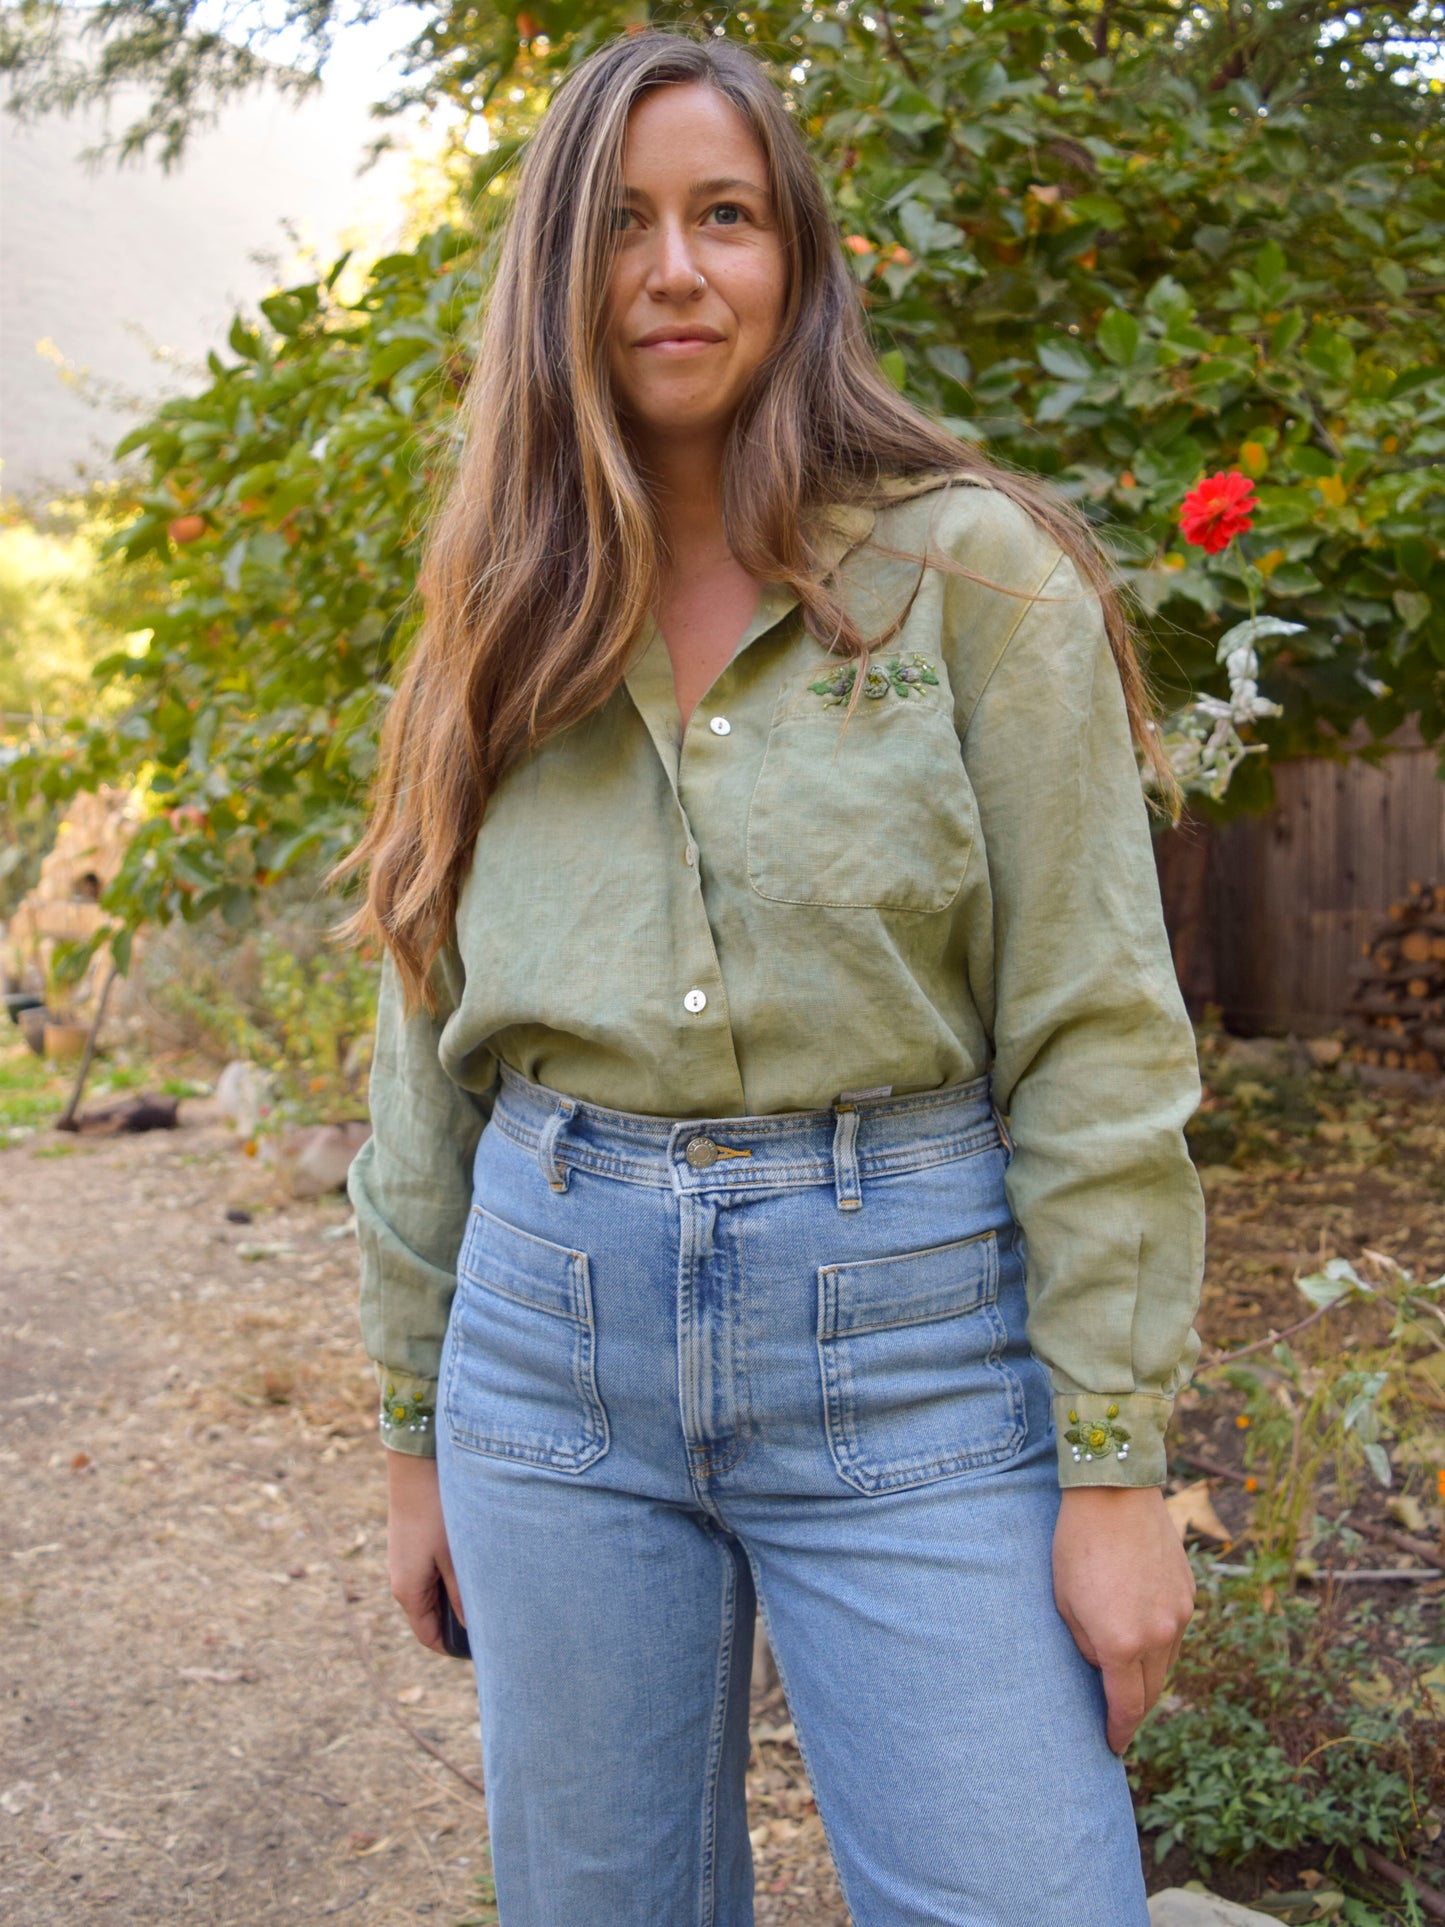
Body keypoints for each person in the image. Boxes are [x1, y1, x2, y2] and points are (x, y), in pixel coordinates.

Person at [341, 26, 1204, 1927]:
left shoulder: (975, 580)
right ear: (560, 270)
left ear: (795, 259)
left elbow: (1092, 1029)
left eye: (723, 215)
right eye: (625, 223)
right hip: (546, 1343)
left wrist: (1117, 1465)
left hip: (914, 1350)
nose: (673, 267)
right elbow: (424, 1040)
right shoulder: (500, 608)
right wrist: (414, 1439)